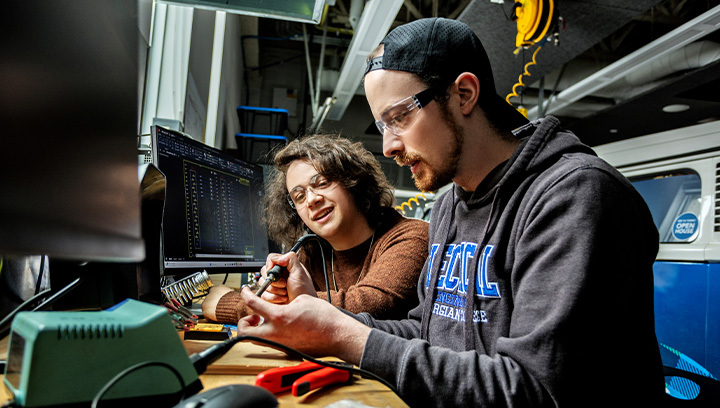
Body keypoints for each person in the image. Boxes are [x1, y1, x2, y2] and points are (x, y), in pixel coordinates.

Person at [235, 18, 664, 407]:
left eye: (399, 117)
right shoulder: (449, 206)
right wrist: (324, 316)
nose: (388, 147)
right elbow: (427, 331)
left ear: (463, 94)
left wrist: (343, 336)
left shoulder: (573, 196)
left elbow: (535, 390)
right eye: (382, 127)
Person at [202, 134, 429, 323]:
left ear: (353, 182)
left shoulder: (411, 237)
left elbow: (373, 305)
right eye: (299, 196)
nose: (311, 200)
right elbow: (283, 304)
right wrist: (271, 291)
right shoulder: (311, 251)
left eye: (321, 183)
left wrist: (233, 304)